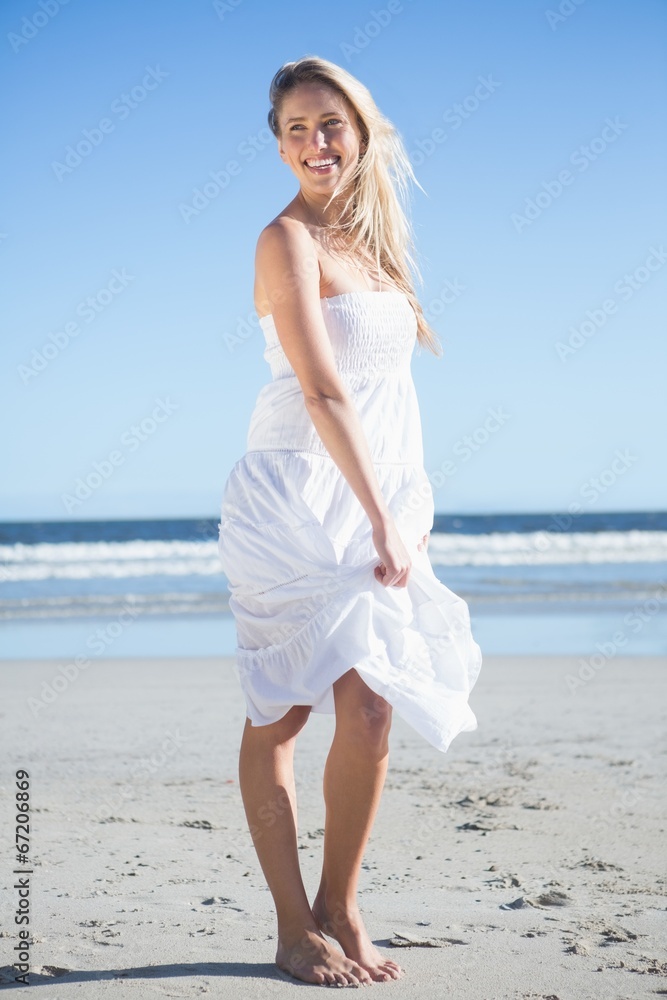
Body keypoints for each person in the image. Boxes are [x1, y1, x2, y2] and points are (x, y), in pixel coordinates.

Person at [217, 56, 482, 988]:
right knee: (282, 716)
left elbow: (384, 389)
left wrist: (398, 505)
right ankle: (293, 928)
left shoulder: (375, 243)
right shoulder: (282, 241)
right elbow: (325, 388)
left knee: (370, 710)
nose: (313, 143)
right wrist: (381, 518)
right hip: (298, 495)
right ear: (278, 143)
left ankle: (340, 904)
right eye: (294, 128)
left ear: (360, 130)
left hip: (374, 495)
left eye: (329, 124)